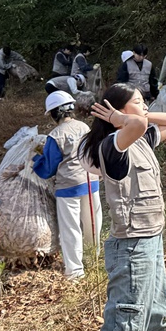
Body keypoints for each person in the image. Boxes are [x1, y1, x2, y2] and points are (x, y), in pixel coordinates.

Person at [80, 83, 166, 331]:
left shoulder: (139, 139)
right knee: (127, 322)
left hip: (151, 239)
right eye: (138, 102)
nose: (145, 106)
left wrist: (138, 112)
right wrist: (120, 119)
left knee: (158, 315)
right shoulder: (114, 145)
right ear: (119, 112)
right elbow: (136, 125)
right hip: (131, 246)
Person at [32, 91, 102, 281]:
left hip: (68, 187)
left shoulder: (55, 135)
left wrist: (35, 160)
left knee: (71, 229)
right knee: (92, 224)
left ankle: (75, 272)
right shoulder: (85, 127)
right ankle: (93, 259)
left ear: (55, 114)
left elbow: (49, 167)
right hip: (91, 181)